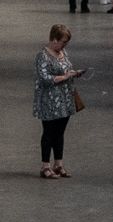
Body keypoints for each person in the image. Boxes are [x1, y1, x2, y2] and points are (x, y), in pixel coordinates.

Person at [34, 22, 88, 179]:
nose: (65, 45)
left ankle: (58, 163)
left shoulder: (63, 53)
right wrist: (65, 77)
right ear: (54, 39)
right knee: (49, 132)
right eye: (63, 42)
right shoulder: (42, 56)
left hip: (65, 98)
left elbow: (66, 68)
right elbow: (44, 78)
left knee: (60, 132)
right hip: (49, 100)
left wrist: (73, 73)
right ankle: (45, 165)